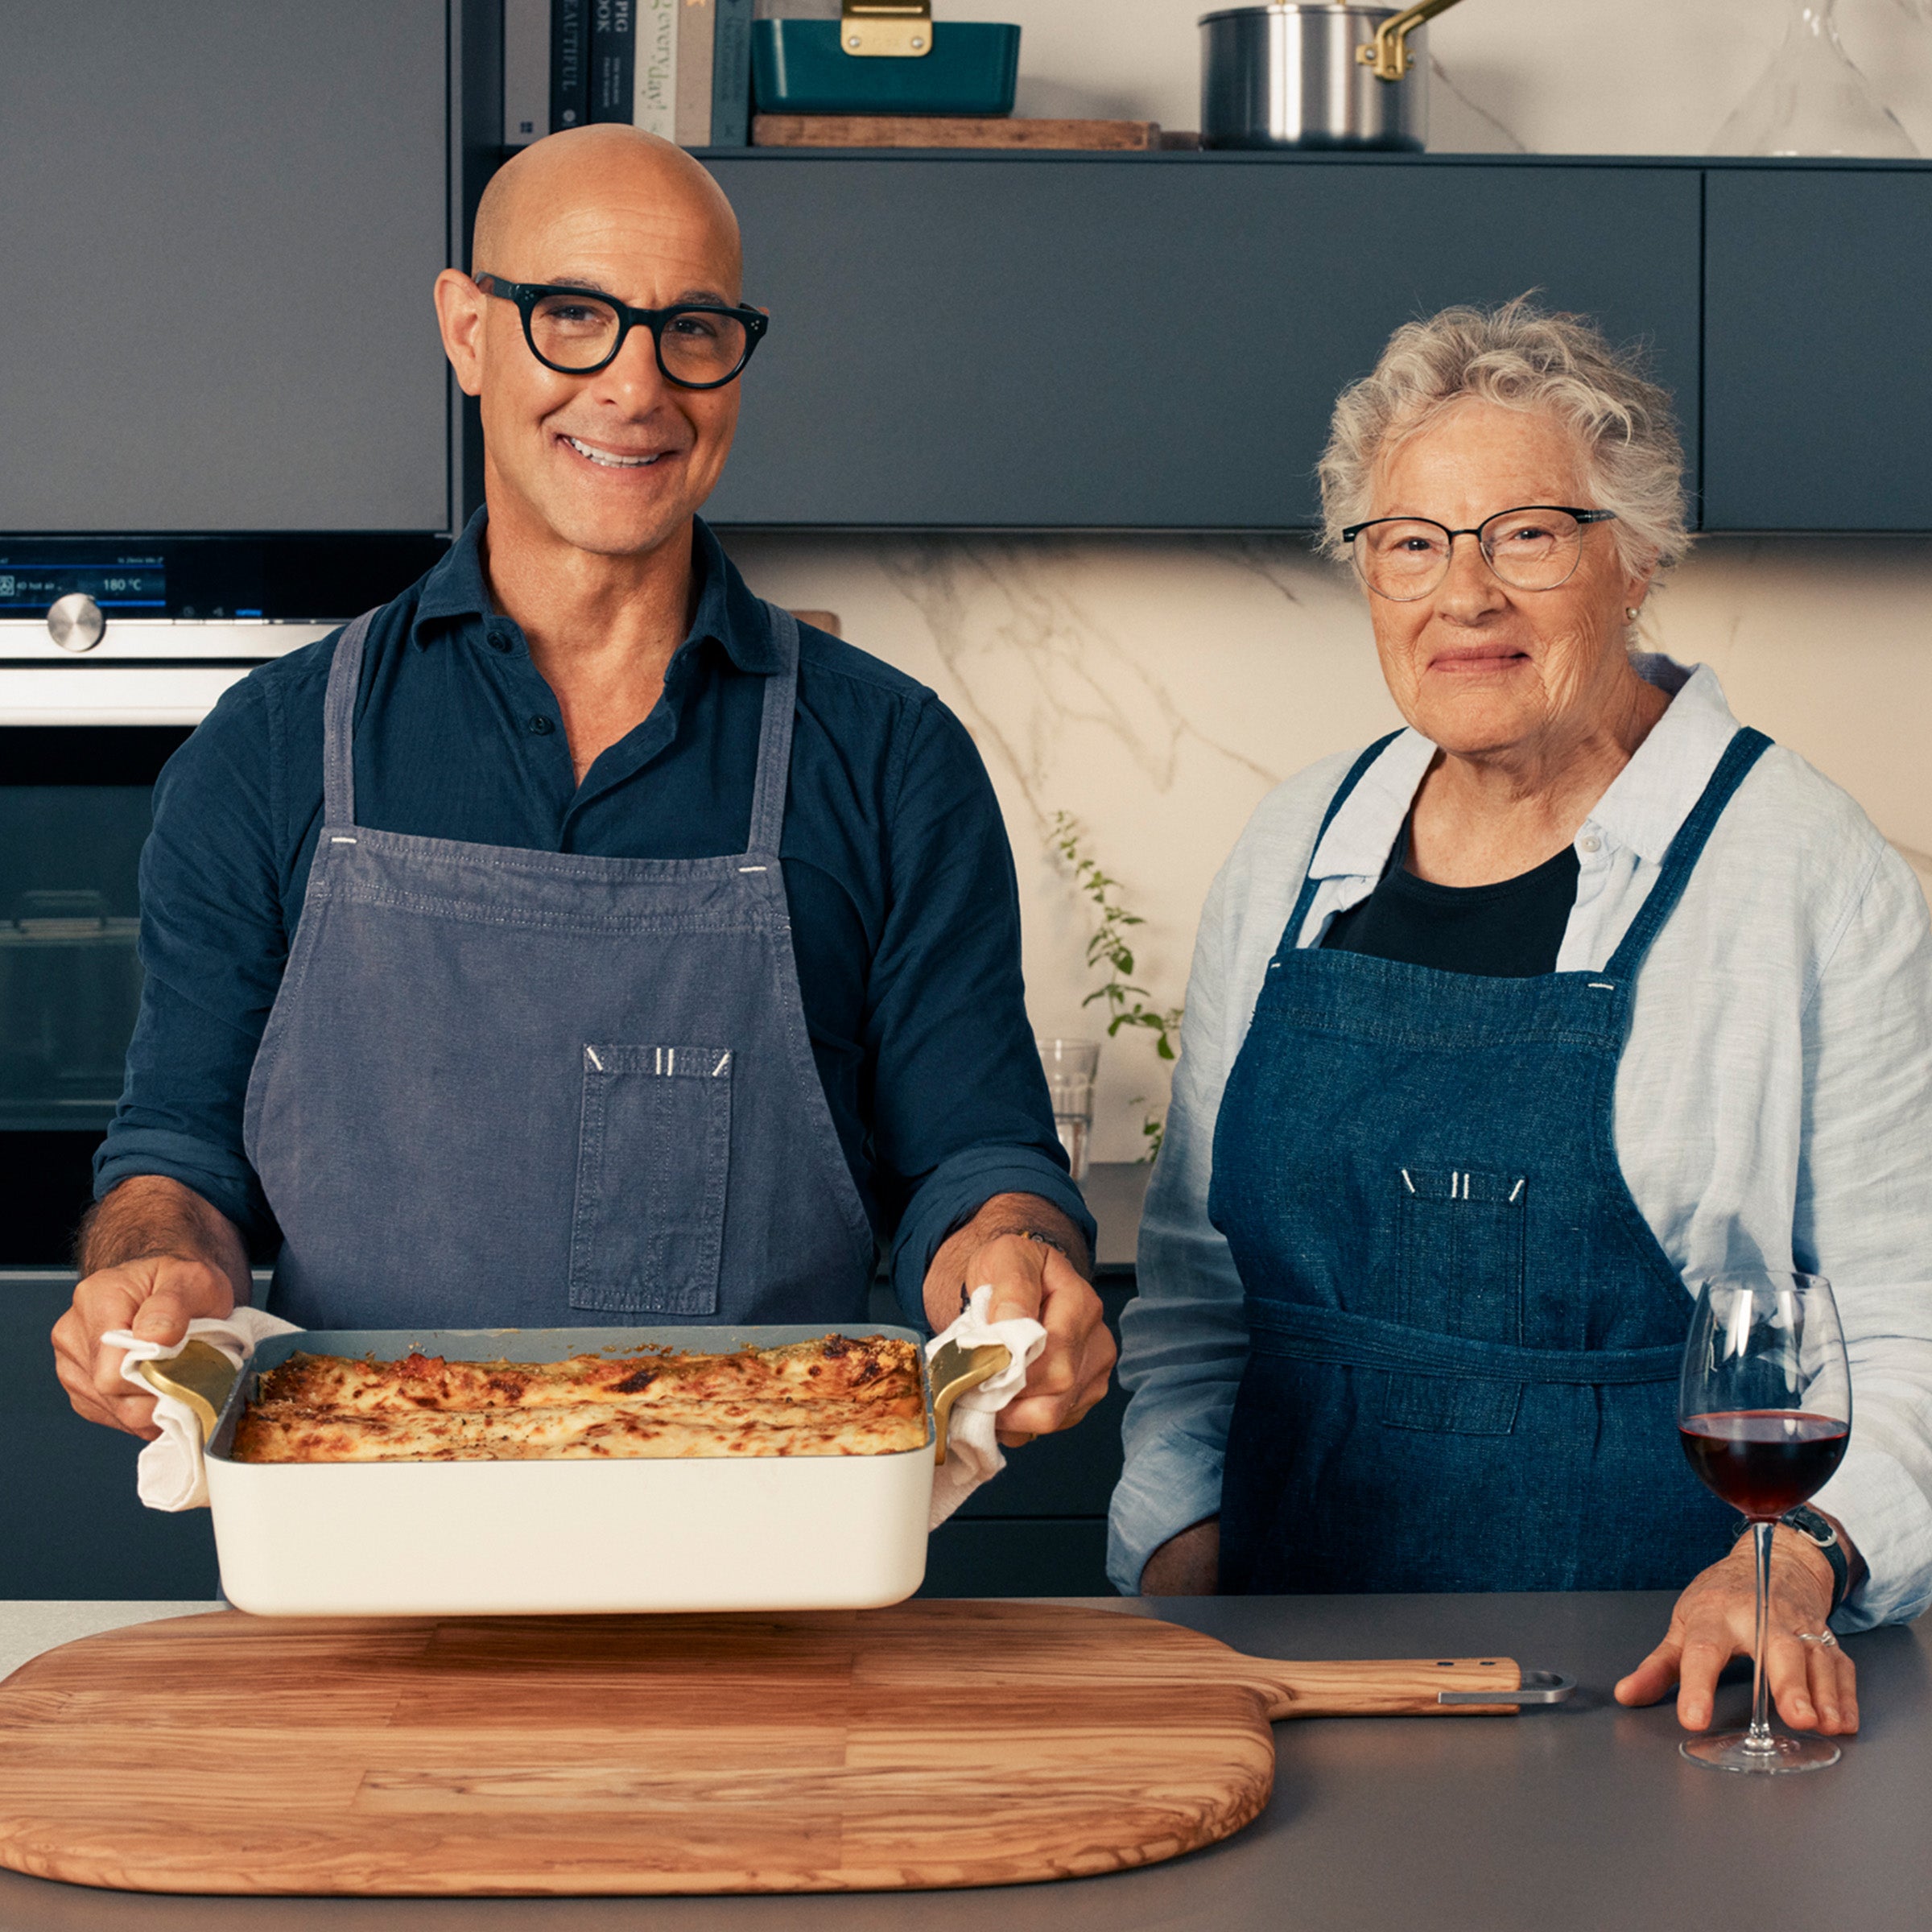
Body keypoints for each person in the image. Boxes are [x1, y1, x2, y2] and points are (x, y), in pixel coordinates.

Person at [54, 126, 1113, 1448]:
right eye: (573, 317)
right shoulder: (266, 754)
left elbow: (975, 1155)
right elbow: (182, 1158)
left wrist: (1015, 1252)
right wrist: (154, 1263)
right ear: (466, 331)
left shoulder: (892, 758)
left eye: (694, 329)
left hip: (774, 1531)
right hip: (363, 1532)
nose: (636, 386)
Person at [1108, 299, 1932, 1740]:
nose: (1464, 595)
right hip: (1297, 1683)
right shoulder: (1294, 849)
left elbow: (1915, 1327)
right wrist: (1186, 1564)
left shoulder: (1810, 875)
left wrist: (1793, 1568)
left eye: (1529, 535)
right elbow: (1194, 1301)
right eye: (1411, 544)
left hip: (1666, 1686)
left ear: (1638, 560)